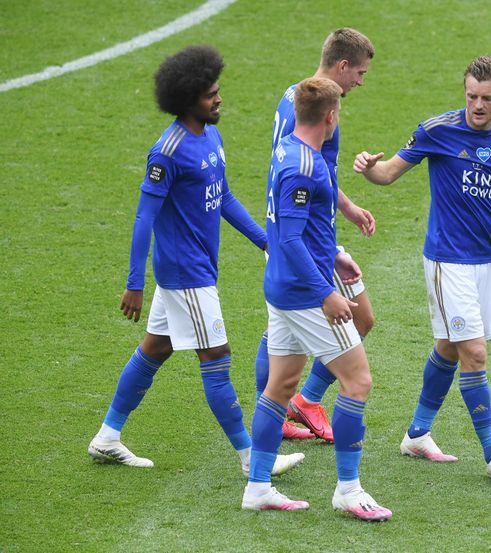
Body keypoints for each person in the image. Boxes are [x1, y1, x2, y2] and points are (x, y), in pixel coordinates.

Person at [88, 45, 303, 478]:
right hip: (186, 273)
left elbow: (222, 196)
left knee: (156, 348)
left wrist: (265, 241)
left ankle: (107, 437)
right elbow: (144, 216)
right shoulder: (166, 151)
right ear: (188, 99)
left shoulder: (211, 135)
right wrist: (135, 283)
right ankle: (252, 459)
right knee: (217, 358)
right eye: (211, 95)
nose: (219, 100)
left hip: (195, 269)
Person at [353, 55, 491, 481]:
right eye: (471, 96)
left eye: (486, 98)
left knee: (448, 345)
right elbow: (388, 174)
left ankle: (417, 434)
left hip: (486, 259)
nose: (477, 106)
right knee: (474, 352)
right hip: (447, 260)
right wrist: (370, 169)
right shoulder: (438, 130)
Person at [242, 77, 391, 521]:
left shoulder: (288, 150)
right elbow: (286, 239)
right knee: (357, 381)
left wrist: (337, 258)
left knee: (280, 386)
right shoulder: (303, 167)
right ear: (330, 116)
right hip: (304, 294)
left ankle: (258, 486)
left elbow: (307, 229)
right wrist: (326, 292)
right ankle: (348, 489)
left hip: (285, 287)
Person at [255, 28, 377, 442]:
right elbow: (302, 183)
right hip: (302, 238)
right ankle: (281, 415)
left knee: (353, 320)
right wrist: (332, 243)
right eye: (359, 72)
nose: (360, 81)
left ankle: (292, 406)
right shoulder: (318, 115)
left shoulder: (296, 96)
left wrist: (348, 208)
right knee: (290, 337)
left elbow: (315, 180)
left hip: (308, 232)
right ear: (342, 65)